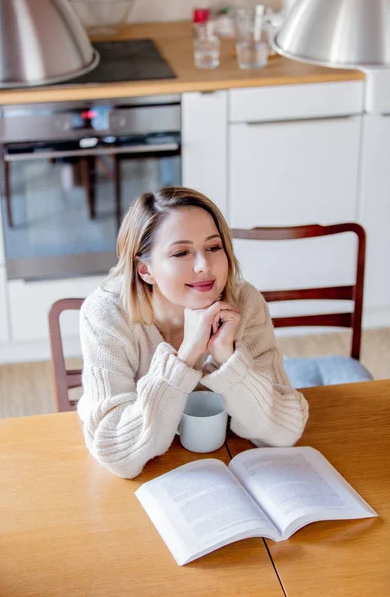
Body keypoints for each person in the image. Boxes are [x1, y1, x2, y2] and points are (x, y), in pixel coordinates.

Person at [78, 187, 308, 478]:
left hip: (225, 466)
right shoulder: (106, 314)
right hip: (159, 480)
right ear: (145, 270)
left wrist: (228, 359)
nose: (204, 267)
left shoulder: (245, 302)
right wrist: (185, 357)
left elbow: (284, 433)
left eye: (214, 247)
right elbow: (117, 454)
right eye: (181, 252)